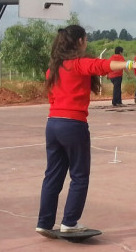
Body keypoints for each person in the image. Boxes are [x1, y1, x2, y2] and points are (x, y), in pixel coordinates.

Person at [36, 25, 130, 236]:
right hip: (73, 124)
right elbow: (103, 65)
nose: (86, 43)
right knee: (79, 175)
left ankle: (44, 222)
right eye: (86, 39)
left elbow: (52, 98)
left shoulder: (53, 69)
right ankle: (69, 222)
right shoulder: (78, 65)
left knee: (52, 174)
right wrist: (131, 63)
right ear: (79, 42)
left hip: (52, 124)